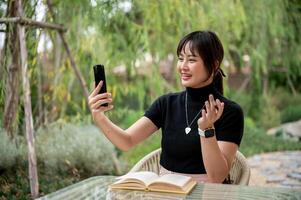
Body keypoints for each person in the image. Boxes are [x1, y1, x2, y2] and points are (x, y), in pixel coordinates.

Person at [88, 30, 244, 184]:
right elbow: (126, 141)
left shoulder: (230, 112)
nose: (183, 66)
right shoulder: (166, 104)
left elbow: (217, 177)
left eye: (191, 60)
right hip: (166, 190)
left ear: (214, 64)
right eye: (181, 58)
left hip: (207, 194)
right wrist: (99, 117)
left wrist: (207, 130)